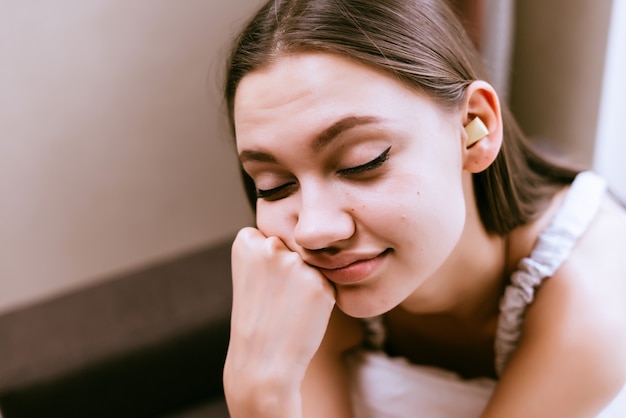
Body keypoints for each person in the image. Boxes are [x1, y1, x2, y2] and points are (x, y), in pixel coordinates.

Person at [221, 0, 626, 416]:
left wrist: (257, 397)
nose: (312, 230)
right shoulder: (300, 266)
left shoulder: (591, 298)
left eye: (363, 161)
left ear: (475, 126)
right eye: (274, 186)